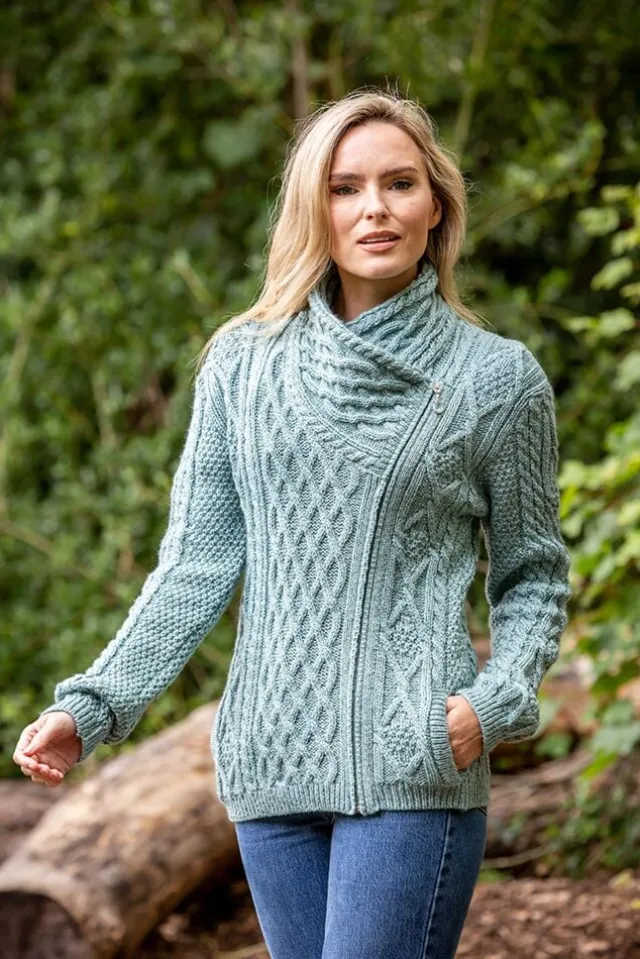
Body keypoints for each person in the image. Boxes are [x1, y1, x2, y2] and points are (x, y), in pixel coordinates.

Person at [13, 88, 572, 959]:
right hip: (268, 763)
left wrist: (491, 704)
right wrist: (93, 705)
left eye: (399, 183)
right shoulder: (241, 366)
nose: (375, 207)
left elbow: (533, 573)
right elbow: (194, 566)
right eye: (346, 188)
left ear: (436, 206)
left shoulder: (496, 380)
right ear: (316, 207)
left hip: (412, 763)